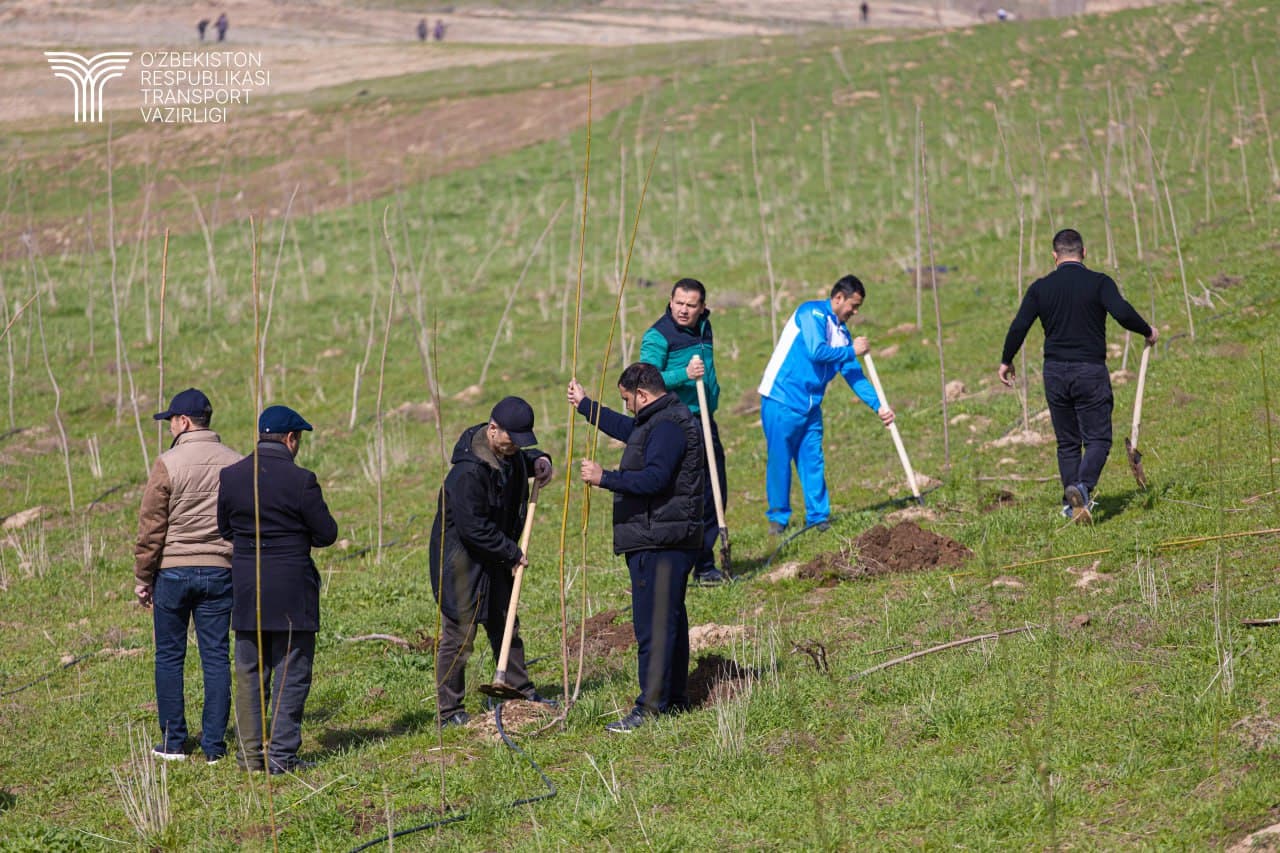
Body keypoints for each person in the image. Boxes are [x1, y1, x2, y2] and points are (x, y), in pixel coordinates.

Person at [568, 364, 703, 733]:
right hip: (663, 536)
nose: (627, 407)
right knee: (669, 619)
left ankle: (650, 707)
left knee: (653, 627)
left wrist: (605, 478)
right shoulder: (658, 422)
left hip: (660, 539)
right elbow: (627, 429)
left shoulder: (668, 426)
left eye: (627, 399)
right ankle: (673, 700)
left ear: (642, 395)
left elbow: (656, 478)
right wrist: (585, 406)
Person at [999, 228, 1157, 523]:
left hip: (1055, 372)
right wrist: (1147, 330)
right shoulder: (1098, 283)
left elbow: (1019, 325)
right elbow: (1121, 312)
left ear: (1054, 256)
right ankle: (1082, 489)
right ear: (1083, 253)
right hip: (1089, 370)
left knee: (1067, 442)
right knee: (1098, 439)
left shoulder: (1040, 288)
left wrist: (1006, 360)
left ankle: (1071, 506)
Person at [217, 405, 338, 774]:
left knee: (250, 673)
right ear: (290, 439)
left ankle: (250, 757)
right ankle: (282, 757)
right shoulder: (302, 481)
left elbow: (225, 529)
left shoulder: (232, 476)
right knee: (292, 672)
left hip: (247, 588)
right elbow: (327, 533)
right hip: (291, 590)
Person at [429, 397, 555, 728]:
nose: (516, 447)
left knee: (506, 623)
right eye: (512, 440)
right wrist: (512, 551)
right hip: (463, 566)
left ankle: (519, 689)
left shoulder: (507, 454)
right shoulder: (467, 473)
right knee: (459, 637)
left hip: (494, 560)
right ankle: (450, 712)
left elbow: (521, 461)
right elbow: (474, 529)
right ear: (493, 429)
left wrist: (540, 460)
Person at [134, 388, 242, 763]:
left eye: (170, 421)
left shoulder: (167, 463)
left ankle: (174, 741)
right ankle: (214, 746)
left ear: (182, 422)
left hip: (173, 572)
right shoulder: (235, 462)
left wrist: (143, 576)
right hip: (219, 570)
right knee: (215, 657)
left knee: (169, 656)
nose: (169, 429)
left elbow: (152, 526)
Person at [757, 276, 894, 535]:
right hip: (781, 399)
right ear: (838, 297)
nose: (855, 312)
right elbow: (816, 351)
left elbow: (854, 375)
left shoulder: (843, 334)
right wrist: (852, 351)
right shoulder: (811, 313)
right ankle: (778, 520)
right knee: (780, 460)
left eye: (858, 308)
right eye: (853, 305)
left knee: (813, 461)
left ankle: (818, 518)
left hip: (810, 406)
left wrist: (879, 406)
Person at [639, 278, 727, 586]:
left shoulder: (705, 327)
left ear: (702, 307)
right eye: (679, 303)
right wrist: (684, 374)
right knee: (686, 495)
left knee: (715, 489)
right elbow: (644, 381)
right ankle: (690, 565)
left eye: (691, 305)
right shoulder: (658, 336)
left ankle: (706, 560)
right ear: (670, 300)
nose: (684, 311)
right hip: (676, 423)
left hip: (705, 418)